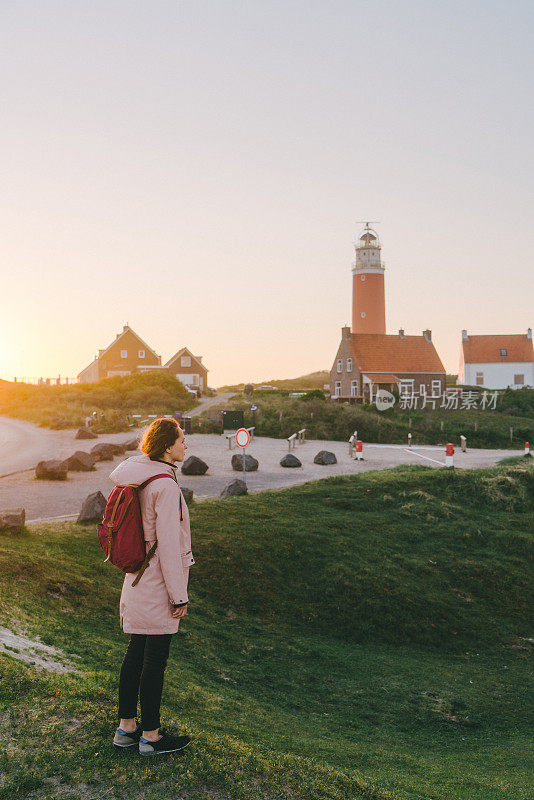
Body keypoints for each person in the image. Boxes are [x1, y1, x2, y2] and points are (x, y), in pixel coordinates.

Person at [108, 417, 195, 756]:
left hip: (136, 579)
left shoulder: (139, 476)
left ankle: (126, 728)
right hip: (158, 582)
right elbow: (170, 549)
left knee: (135, 654)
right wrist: (179, 596)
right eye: (181, 440)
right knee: (154, 661)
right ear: (166, 446)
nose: (186, 445)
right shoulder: (166, 486)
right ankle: (151, 736)